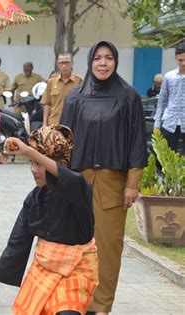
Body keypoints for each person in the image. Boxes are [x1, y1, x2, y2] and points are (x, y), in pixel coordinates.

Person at [0, 125, 98, 315]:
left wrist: (28, 150)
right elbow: (18, 242)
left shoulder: (79, 189)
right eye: (31, 162)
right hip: (44, 267)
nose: (33, 170)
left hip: (77, 268)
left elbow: (71, 179)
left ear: (61, 163)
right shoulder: (34, 199)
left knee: (67, 312)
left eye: (38, 163)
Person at [60, 40, 148, 314]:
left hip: (112, 183)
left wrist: (132, 184)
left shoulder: (128, 97)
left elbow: (137, 141)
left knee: (108, 251)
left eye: (109, 58)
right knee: (75, 248)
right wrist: (57, 180)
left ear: (116, 62)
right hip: (78, 183)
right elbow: (61, 142)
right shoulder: (75, 96)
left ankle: (101, 307)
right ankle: (76, 304)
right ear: (89, 62)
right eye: (97, 58)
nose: (103, 63)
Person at [153, 43, 185, 154]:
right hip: (170, 123)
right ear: (176, 57)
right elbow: (162, 102)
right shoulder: (168, 76)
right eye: (180, 60)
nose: (183, 63)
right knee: (168, 159)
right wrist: (157, 124)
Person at [42, 52, 82, 126]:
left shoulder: (79, 81)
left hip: (73, 124)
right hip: (54, 124)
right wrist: (44, 124)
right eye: (61, 63)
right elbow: (47, 104)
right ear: (57, 64)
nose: (64, 66)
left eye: (67, 62)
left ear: (72, 64)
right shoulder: (51, 82)